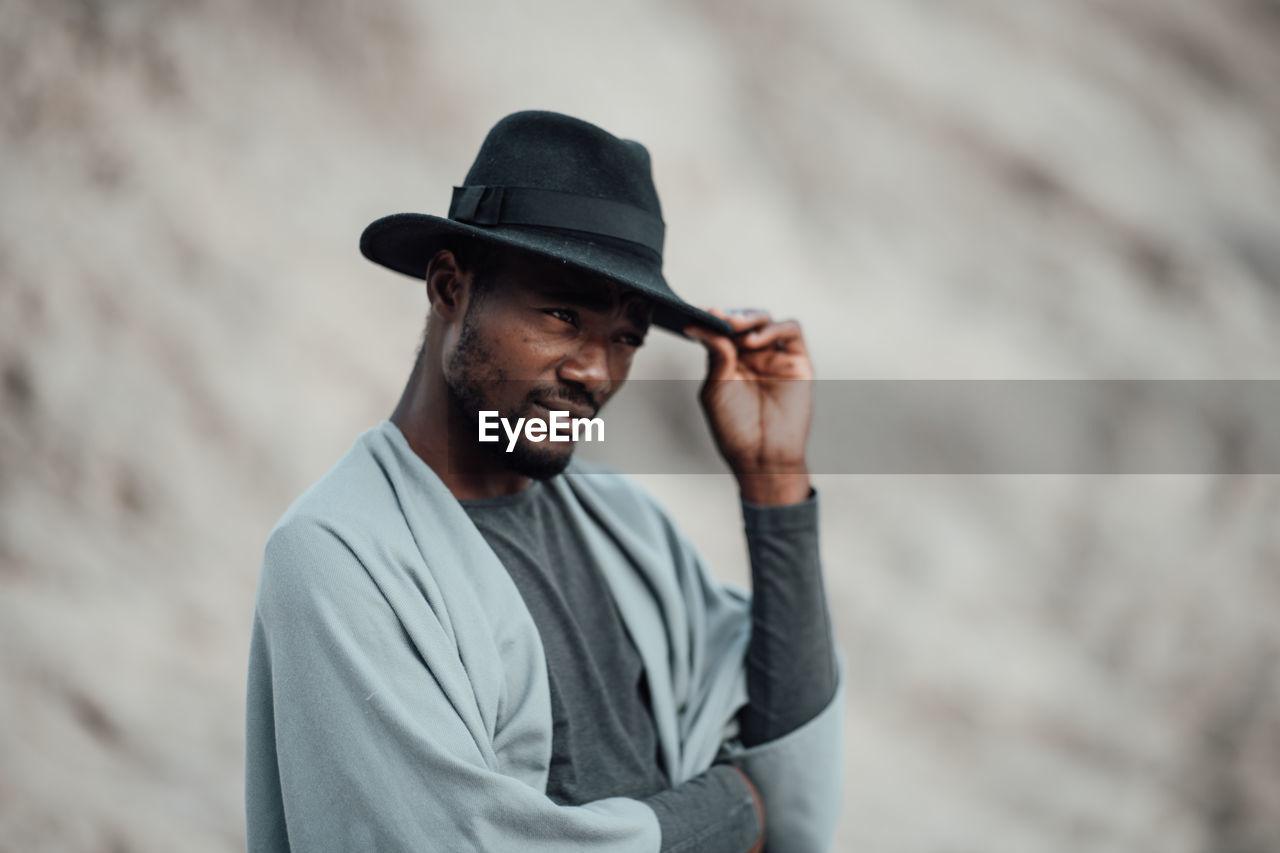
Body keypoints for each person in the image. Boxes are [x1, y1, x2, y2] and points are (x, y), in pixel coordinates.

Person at [245, 111, 843, 852]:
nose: (595, 370)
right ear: (448, 287)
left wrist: (773, 479)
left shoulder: (624, 520)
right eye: (563, 313)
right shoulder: (337, 554)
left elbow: (790, 766)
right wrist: (725, 812)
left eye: (625, 335)